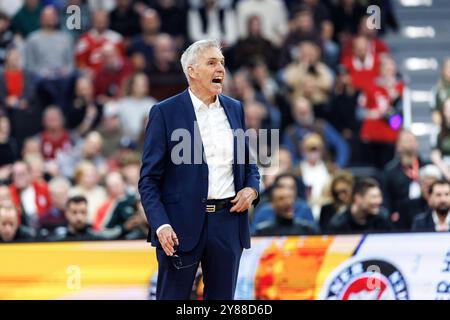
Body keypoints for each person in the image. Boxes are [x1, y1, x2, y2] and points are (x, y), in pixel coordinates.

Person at [138, 39, 260, 300]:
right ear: (191, 71)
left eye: (222, 63)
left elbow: (250, 165)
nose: (221, 70)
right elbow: (148, 180)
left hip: (227, 222)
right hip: (178, 226)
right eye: (212, 63)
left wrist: (252, 189)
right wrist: (160, 225)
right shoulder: (164, 112)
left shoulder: (235, 108)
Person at [328, 177, 393, 234]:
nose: (379, 201)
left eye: (379, 196)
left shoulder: (383, 218)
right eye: (374, 197)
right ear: (358, 198)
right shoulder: (338, 224)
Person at [254, 184, 319, 236]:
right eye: (281, 199)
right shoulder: (262, 232)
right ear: (272, 204)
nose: (288, 202)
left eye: (290, 197)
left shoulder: (308, 230)